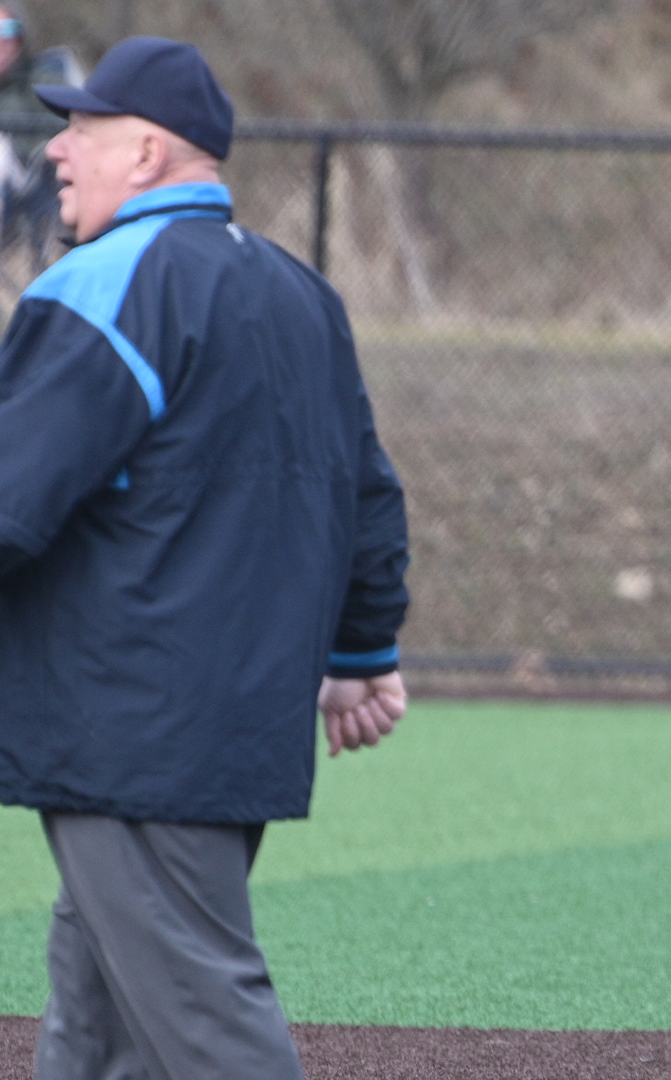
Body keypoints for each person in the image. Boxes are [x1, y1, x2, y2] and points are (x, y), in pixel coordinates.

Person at [1, 36, 410, 1080]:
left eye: (81, 130)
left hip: (128, 728)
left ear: (146, 153)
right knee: (101, 1029)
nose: (57, 152)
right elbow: (364, 490)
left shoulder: (104, 285)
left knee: (203, 1022)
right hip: (227, 726)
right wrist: (362, 654)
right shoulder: (301, 295)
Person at [0, 5, 84, 271]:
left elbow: (75, 130)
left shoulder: (47, 78)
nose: (1, 40)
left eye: (7, 29)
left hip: (40, 186)